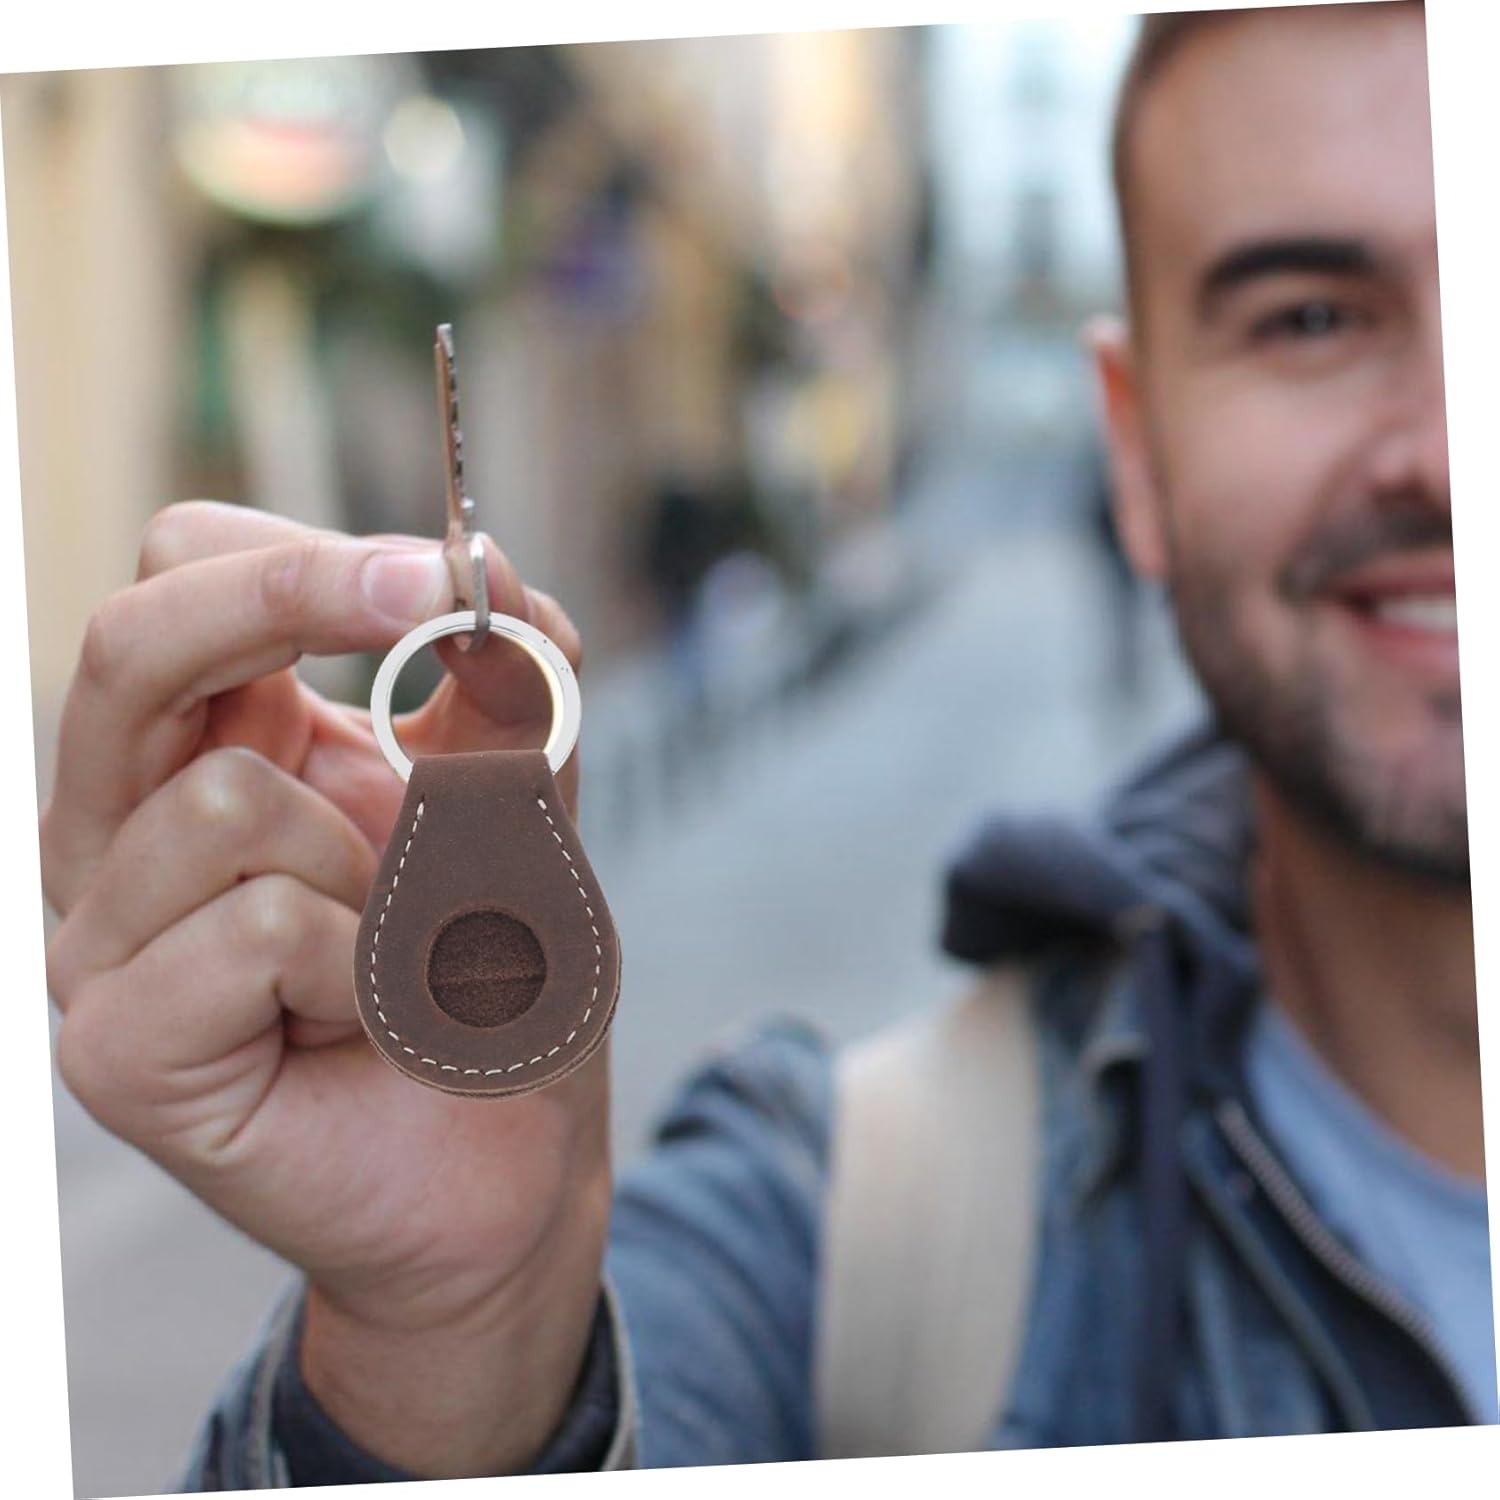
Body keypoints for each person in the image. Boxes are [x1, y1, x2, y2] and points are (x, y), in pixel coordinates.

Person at [38, 1, 1489, 1489]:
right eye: (1311, 320)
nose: (1448, 455)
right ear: (1136, 450)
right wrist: (452, 1348)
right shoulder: (852, 1228)